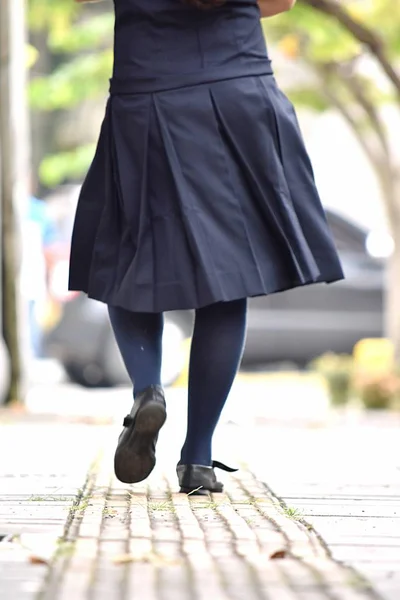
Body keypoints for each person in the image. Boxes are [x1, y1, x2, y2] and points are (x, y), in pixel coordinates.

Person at [69, 0, 344, 494]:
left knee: (127, 253)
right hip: (235, 86)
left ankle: (147, 389)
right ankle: (197, 459)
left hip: (146, 91)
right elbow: (279, 2)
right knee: (228, 276)